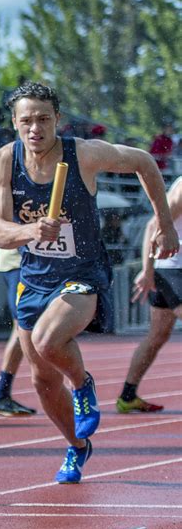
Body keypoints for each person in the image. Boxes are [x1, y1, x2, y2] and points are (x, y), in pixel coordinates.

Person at [0, 81, 179, 485]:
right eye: (26, 121)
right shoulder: (4, 161)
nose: (35, 128)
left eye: (43, 119)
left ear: (58, 119)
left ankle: (83, 383)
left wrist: (164, 224)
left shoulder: (83, 154)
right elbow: (1, 233)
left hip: (82, 275)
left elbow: (144, 161)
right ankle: (76, 447)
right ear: (14, 123)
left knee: (48, 340)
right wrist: (33, 231)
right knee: (41, 379)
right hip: (34, 278)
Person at [116, 176, 182, 413]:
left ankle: (127, 395)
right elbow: (153, 226)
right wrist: (147, 270)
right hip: (172, 269)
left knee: (157, 336)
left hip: (172, 269)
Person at [0, 247, 36, 416]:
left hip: (18, 265)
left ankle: (1, 393)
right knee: (22, 329)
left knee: (24, 329)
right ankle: (0, 393)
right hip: (19, 265)